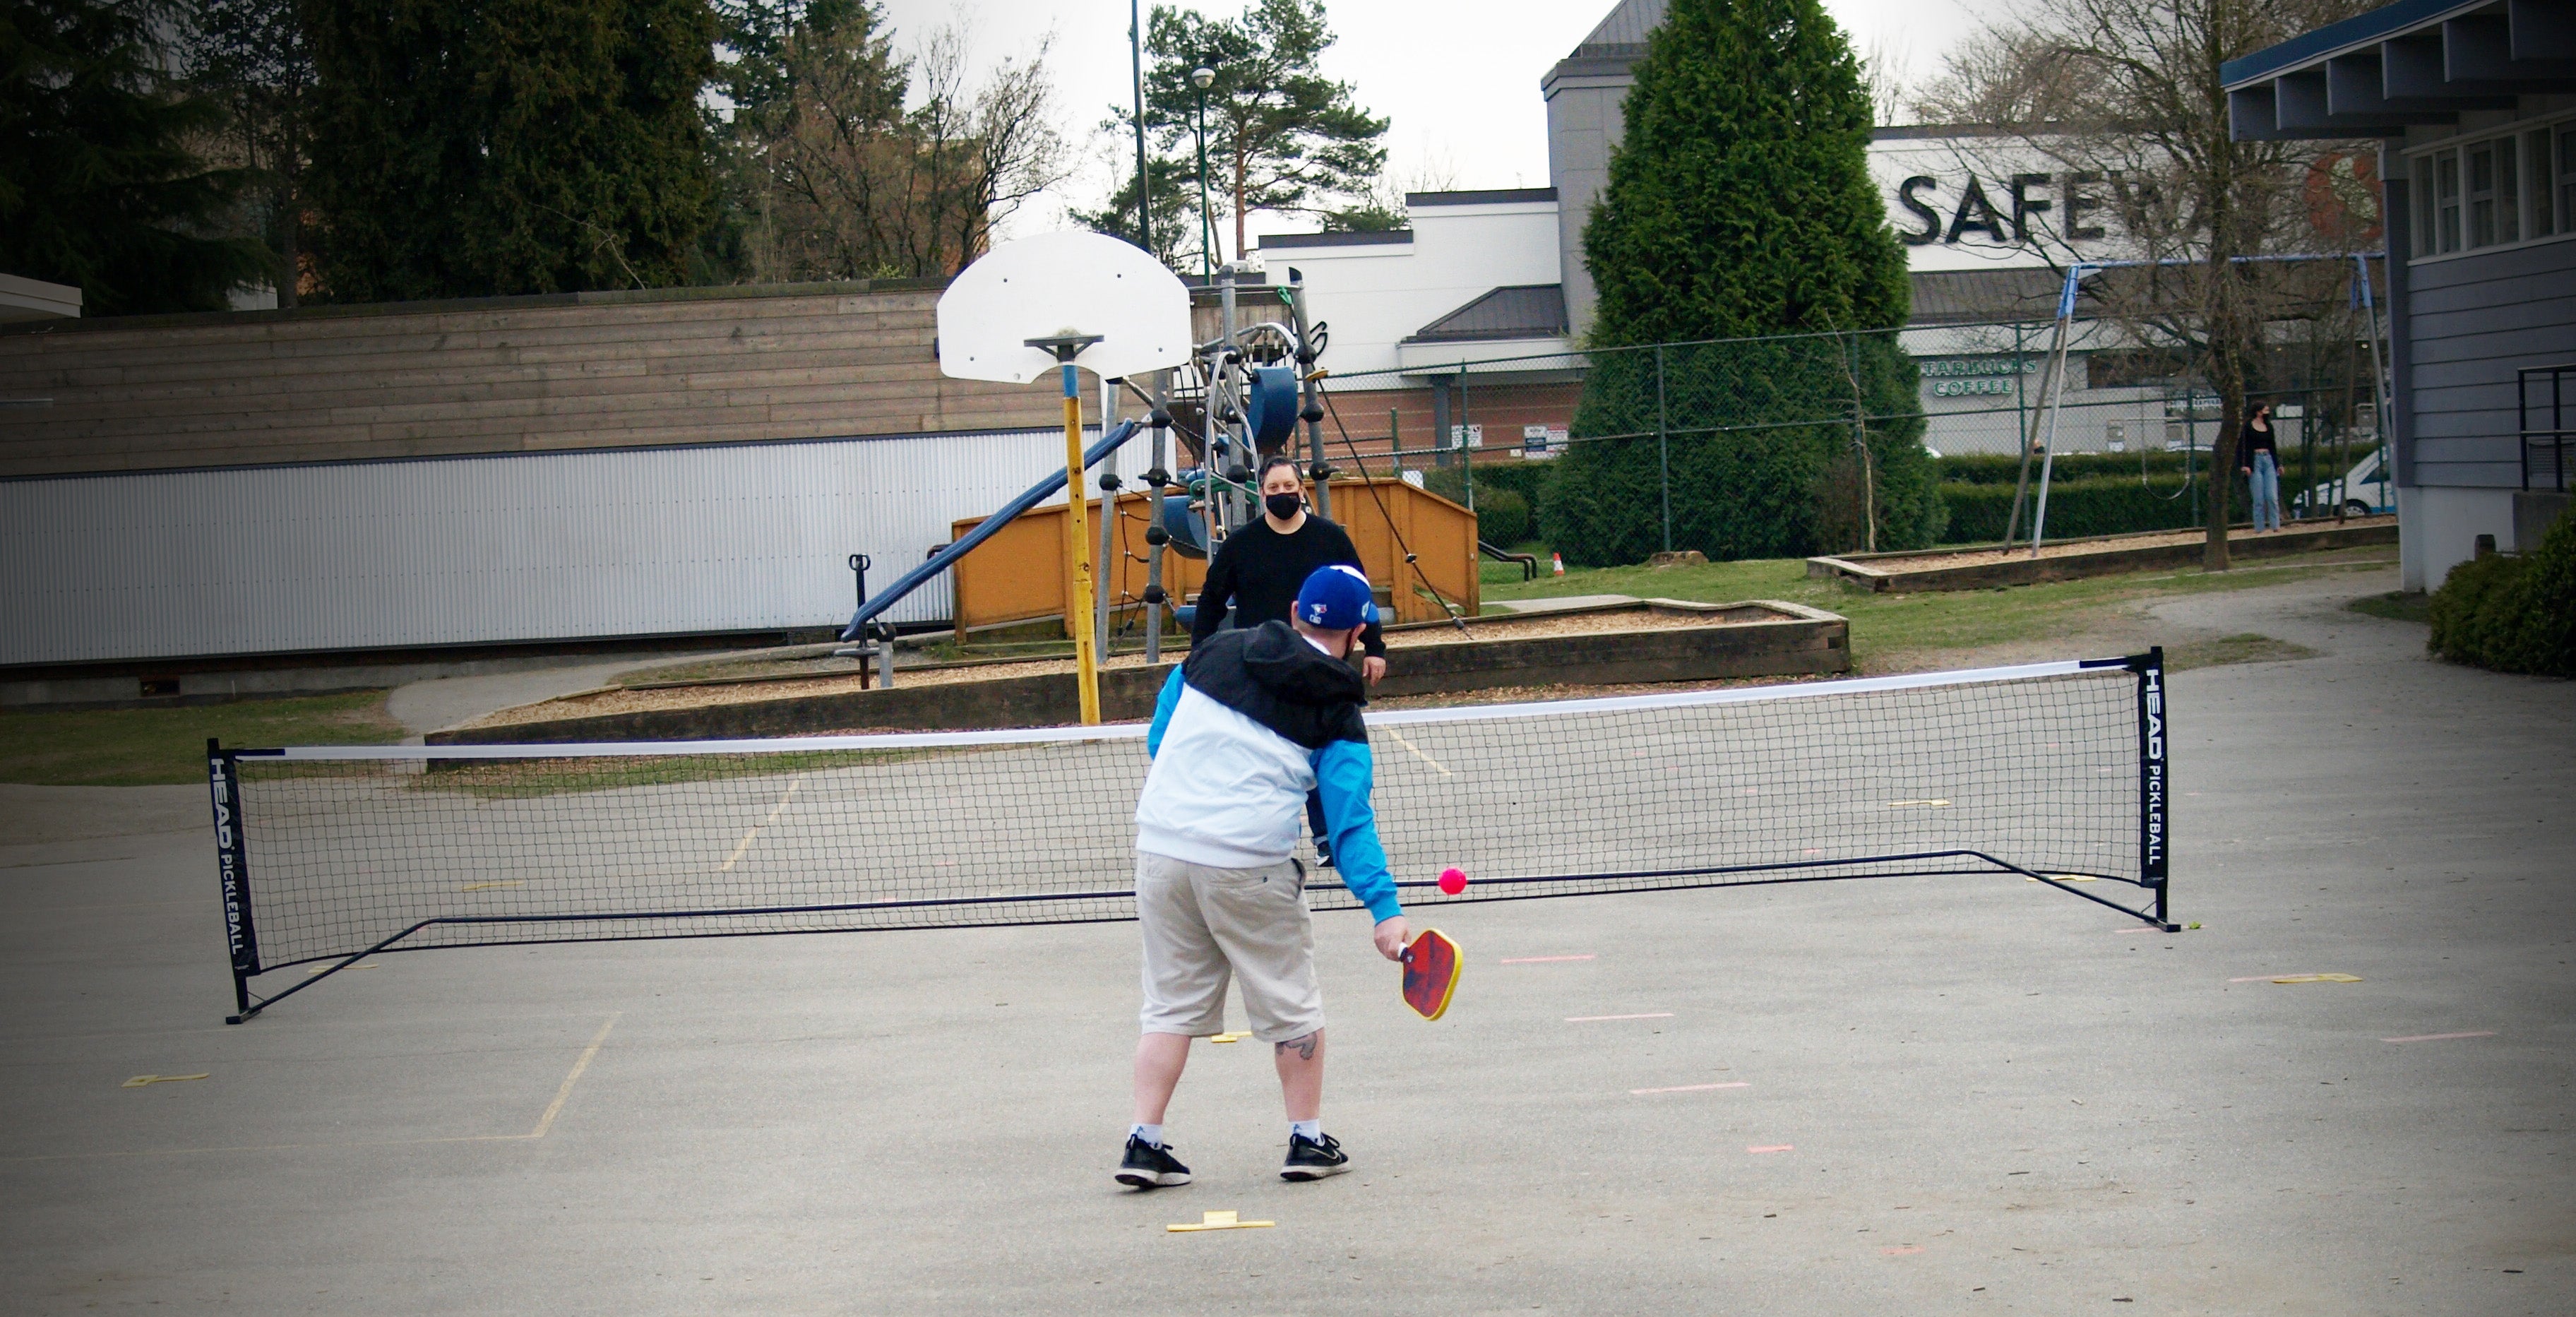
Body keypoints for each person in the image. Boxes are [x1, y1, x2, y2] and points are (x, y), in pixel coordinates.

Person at [1116, 564, 1408, 1190]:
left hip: (1162, 849)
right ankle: (1307, 1139)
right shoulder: (1338, 706)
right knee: (1292, 1003)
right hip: (1249, 863)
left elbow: (1161, 740)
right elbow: (1348, 824)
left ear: (1297, 609)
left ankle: (1144, 1141)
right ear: (1358, 632)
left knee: (1167, 1006)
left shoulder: (1215, 651)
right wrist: (1385, 909)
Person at [1191, 455, 1388, 687]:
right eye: (1273, 488)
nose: (1282, 492)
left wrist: (1374, 648)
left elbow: (1359, 594)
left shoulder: (1331, 538)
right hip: (1258, 663)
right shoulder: (1239, 544)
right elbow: (1211, 601)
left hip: (1318, 663)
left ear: (1301, 490)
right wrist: (1199, 654)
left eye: (1288, 486)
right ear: (1262, 494)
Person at [2241, 402, 2282, 532]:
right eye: (2265, 410)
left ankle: (2275, 525)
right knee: (2258, 498)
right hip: (2255, 461)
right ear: (2258, 412)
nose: (2268, 412)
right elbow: (2244, 447)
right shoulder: (2248, 426)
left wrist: (2278, 465)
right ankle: (2259, 528)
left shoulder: (2269, 426)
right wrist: (2246, 465)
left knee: (2272, 496)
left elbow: (2273, 446)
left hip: (2268, 460)